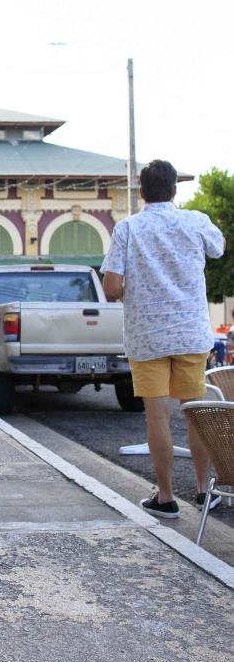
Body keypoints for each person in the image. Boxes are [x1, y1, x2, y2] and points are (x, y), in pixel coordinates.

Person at [101, 159, 225, 518]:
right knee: (195, 414)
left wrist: (132, 292)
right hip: (190, 334)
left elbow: (111, 287)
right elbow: (219, 247)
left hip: (147, 337)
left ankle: (166, 497)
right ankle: (204, 492)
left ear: (141, 191)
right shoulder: (195, 221)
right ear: (175, 190)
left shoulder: (128, 229)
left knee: (157, 418)